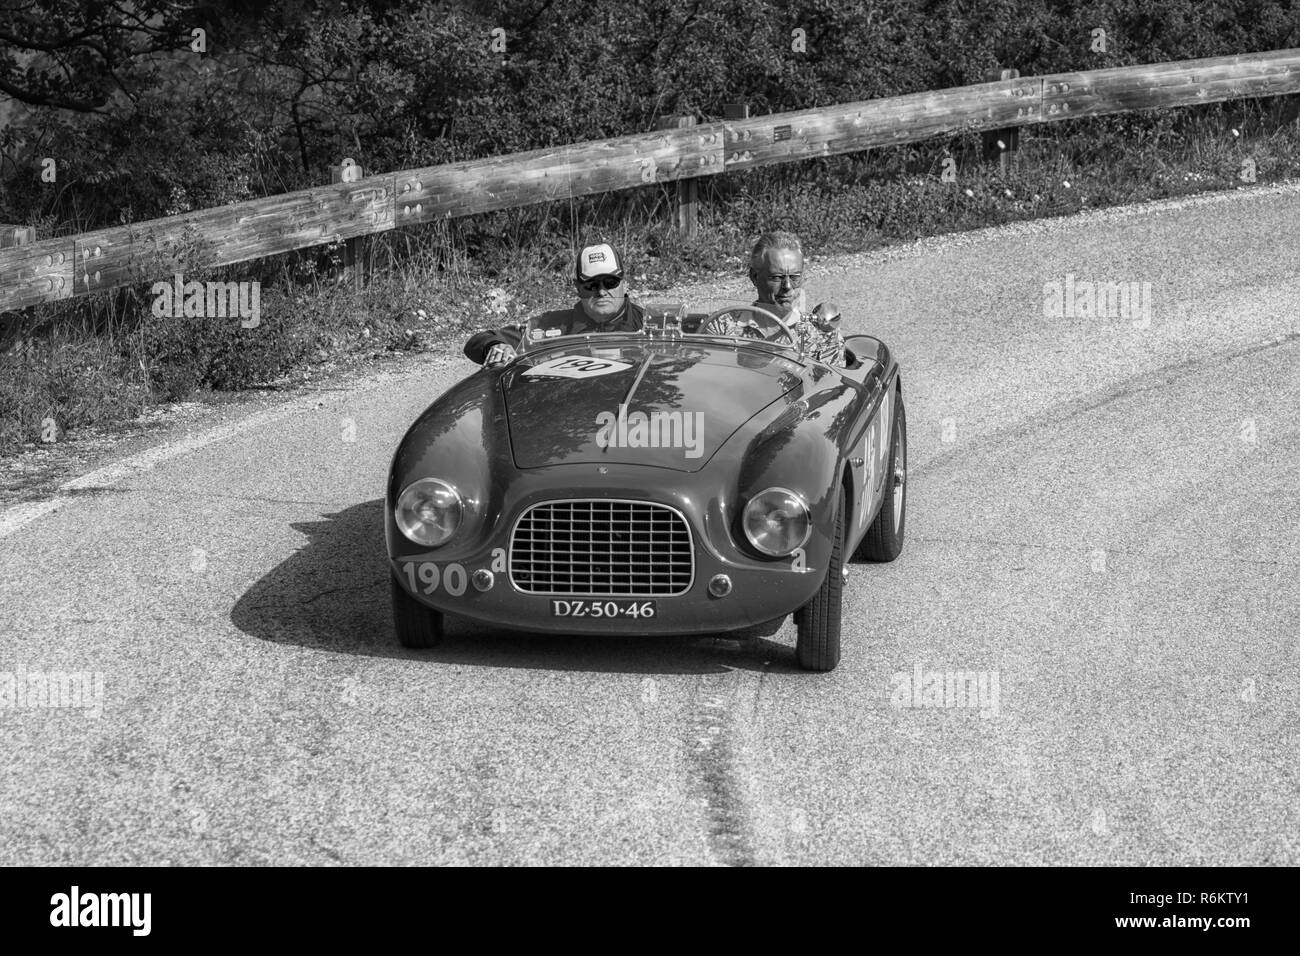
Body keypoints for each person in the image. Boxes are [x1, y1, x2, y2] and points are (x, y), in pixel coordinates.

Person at [463, 243, 646, 366]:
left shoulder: (652, 324)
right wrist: (495, 346)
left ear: (624, 283)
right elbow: (477, 341)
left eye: (610, 282)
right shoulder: (550, 327)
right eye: (591, 284)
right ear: (578, 288)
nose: (601, 291)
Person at [700, 231, 846, 365]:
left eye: (795, 277)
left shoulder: (822, 331)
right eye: (777, 277)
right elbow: (709, 377)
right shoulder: (722, 326)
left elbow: (831, 387)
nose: (788, 286)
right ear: (755, 277)